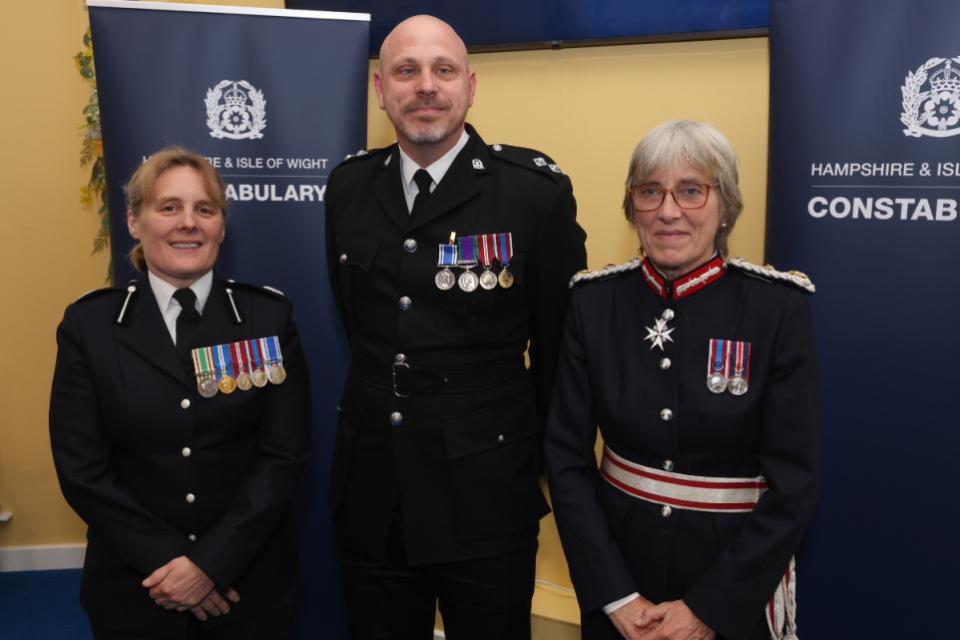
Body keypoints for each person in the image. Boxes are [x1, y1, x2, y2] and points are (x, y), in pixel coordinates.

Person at [324, 14, 587, 640]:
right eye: (405, 71)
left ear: (470, 86)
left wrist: (547, 463)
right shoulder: (349, 187)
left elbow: (560, 349)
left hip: (485, 488)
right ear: (380, 90)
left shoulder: (532, 194)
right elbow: (357, 323)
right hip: (373, 489)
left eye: (442, 70)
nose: (425, 86)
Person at [546, 120, 821, 640]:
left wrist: (708, 609)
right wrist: (616, 595)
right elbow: (565, 459)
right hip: (620, 575)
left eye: (691, 191)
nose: (668, 211)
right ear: (632, 207)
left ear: (726, 206)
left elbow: (795, 484)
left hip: (730, 582)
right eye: (650, 192)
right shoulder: (593, 302)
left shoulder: (776, 309)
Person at [49, 146, 311, 639]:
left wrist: (212, 564)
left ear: (221, 226)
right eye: (168, 207)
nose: (188, 223)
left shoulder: (266, 319)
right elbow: (82, 468)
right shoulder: (90, 326)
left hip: (247, 583)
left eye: (204, 209)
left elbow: (285, 455)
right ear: (133, 221)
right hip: (138, 584)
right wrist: (173, 565)